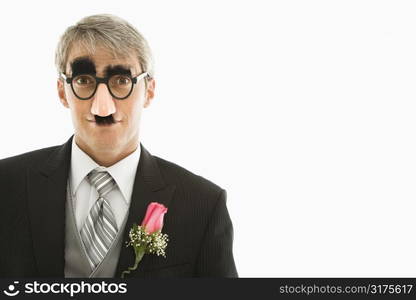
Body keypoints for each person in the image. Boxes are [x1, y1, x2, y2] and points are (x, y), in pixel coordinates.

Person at [0, 14, 237, 278]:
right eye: (84, 80)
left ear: (149, 90)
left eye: (122, 81)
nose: (103, 107)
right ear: (61, 91)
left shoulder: (203, 205)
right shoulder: (6, 184)